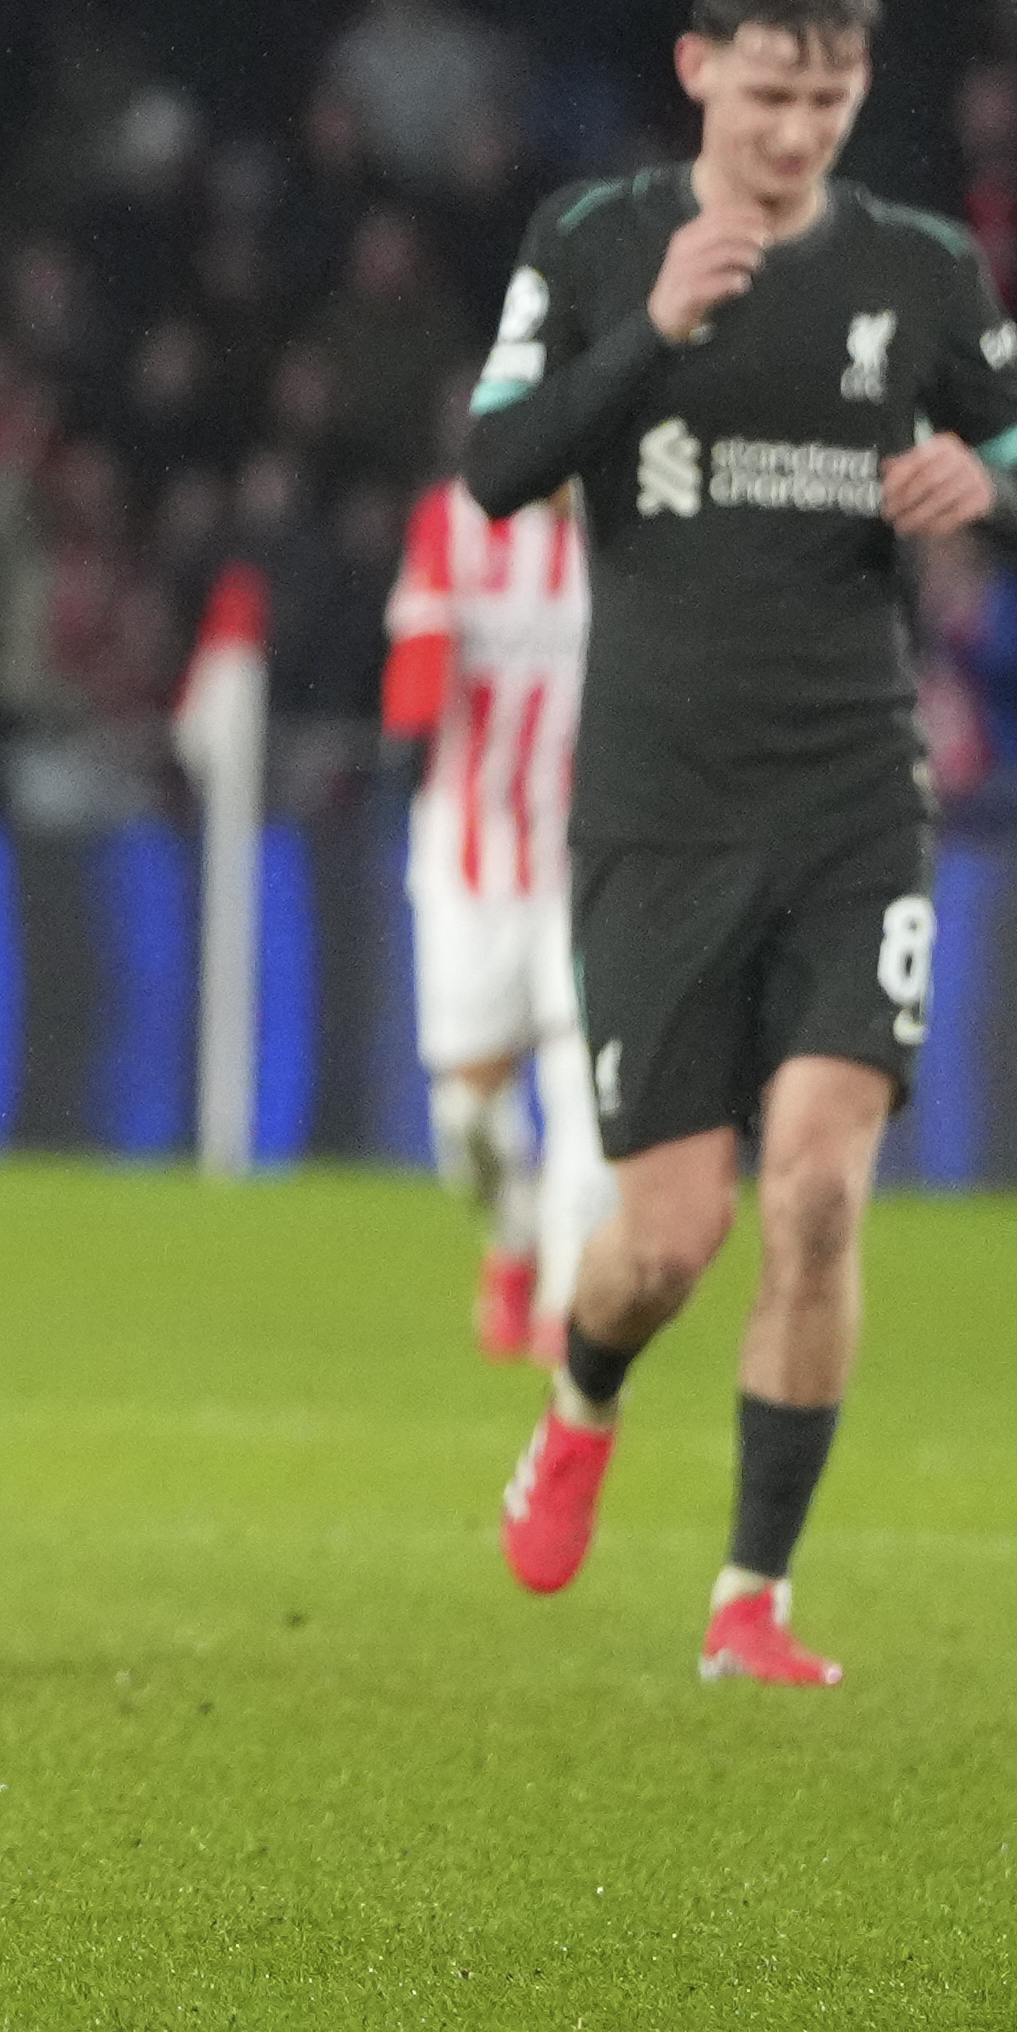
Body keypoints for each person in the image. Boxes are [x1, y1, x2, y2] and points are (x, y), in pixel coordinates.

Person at [463, 0, 1017, 1686]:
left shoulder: (919, 273)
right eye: (767, 91)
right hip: (655, 800)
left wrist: (992, 482)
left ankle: (750, 1596)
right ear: (694, 70)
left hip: (845, 796)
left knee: (813, 1196)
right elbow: (495, 465)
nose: (796, 130)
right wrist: (646, 337)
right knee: (663, 1239)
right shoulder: (591, 243)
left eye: (827, 97)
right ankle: (577, 1404)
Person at [377, 468, 611, 1362]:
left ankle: (566, 1301)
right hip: (469, 857)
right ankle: (512, 1233)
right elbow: (414, 678)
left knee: (582, 1085)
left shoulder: (628, 521)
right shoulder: (455, 519)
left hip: (586, 859)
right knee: (464, 1122)